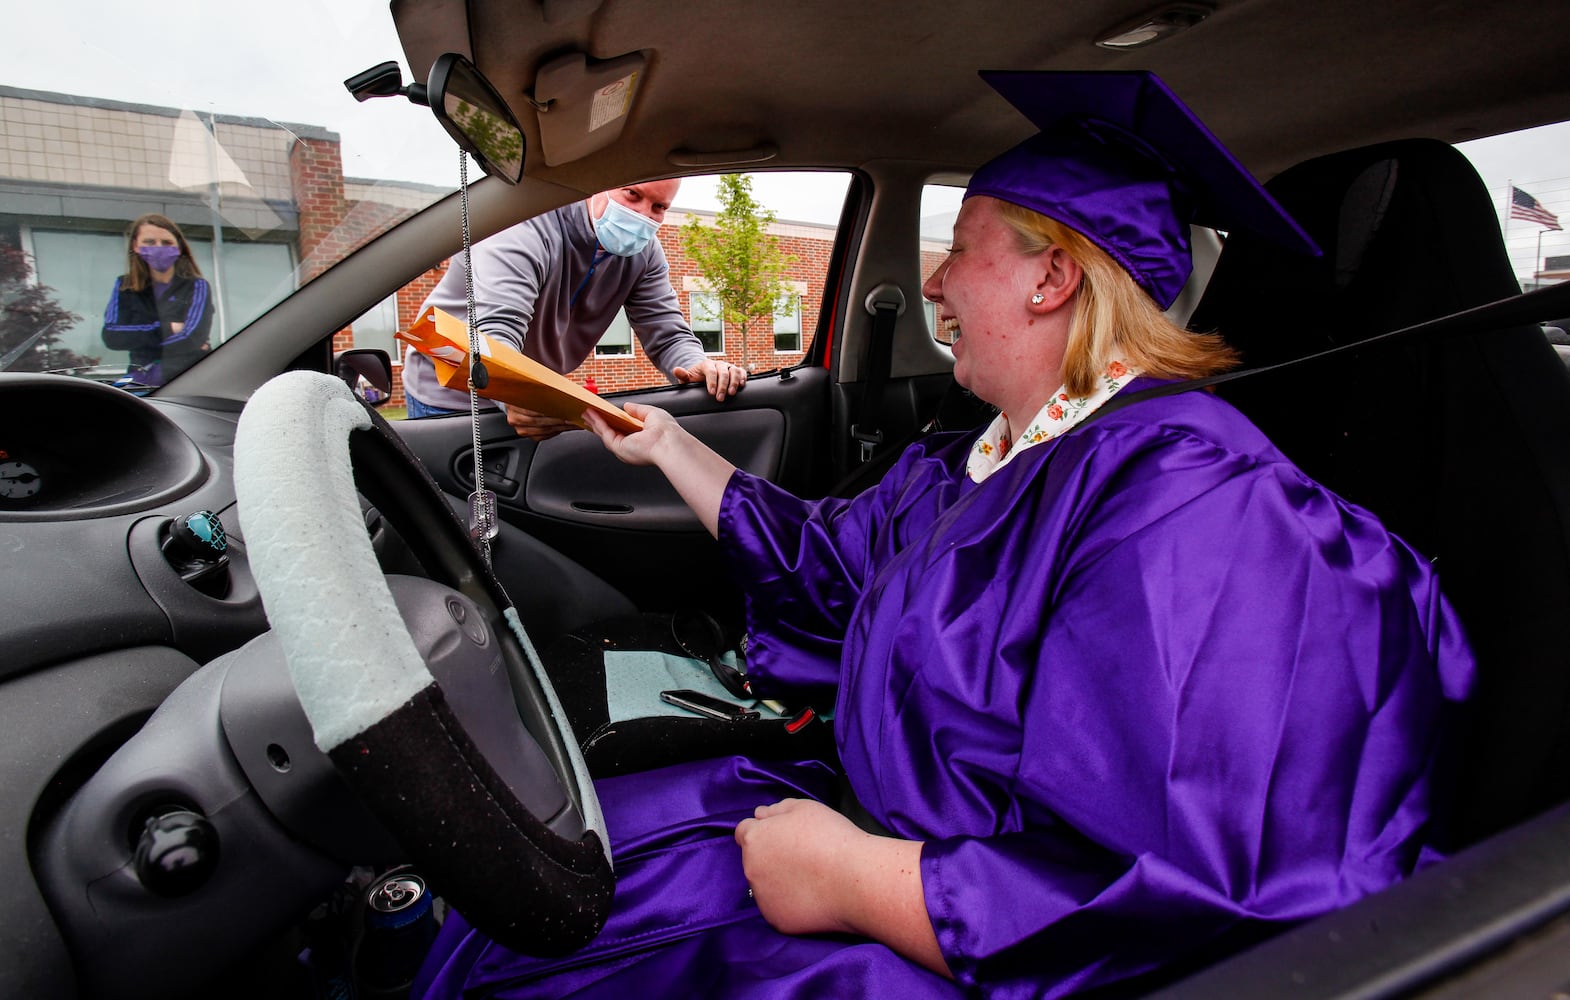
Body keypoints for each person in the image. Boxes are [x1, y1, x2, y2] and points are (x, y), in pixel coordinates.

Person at [414, 71, 1475, 998]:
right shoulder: (981, 455)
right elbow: (834, 566)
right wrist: (672, 448)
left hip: (981, 945)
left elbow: (1208, 872)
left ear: (1051, 276)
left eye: (958, 248)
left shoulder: (1195, 499)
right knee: (534, 872)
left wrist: (863, 882)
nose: (929, 283)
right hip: (868, 828)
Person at [402, 179, 748, 439]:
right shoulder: (524, 225)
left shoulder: (644, 253)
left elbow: (666, 331)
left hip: (525, 394)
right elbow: (496, 331)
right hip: (450, 395)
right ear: (598, 182)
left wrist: (697, 365)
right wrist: (517, 397)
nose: (643, 215)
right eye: (632, 194)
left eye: (659, 207)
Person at [100, 214, 212, 387]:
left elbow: (193, 336)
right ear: (135, 246)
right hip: (139, 381)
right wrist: (168, 328)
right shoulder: (124, 286)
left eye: (167, 243)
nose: (159, 248)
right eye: (150, 242)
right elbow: (112, 335)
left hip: (188, 378)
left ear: (179, 246)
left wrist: (142, 341)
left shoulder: (197, 286)